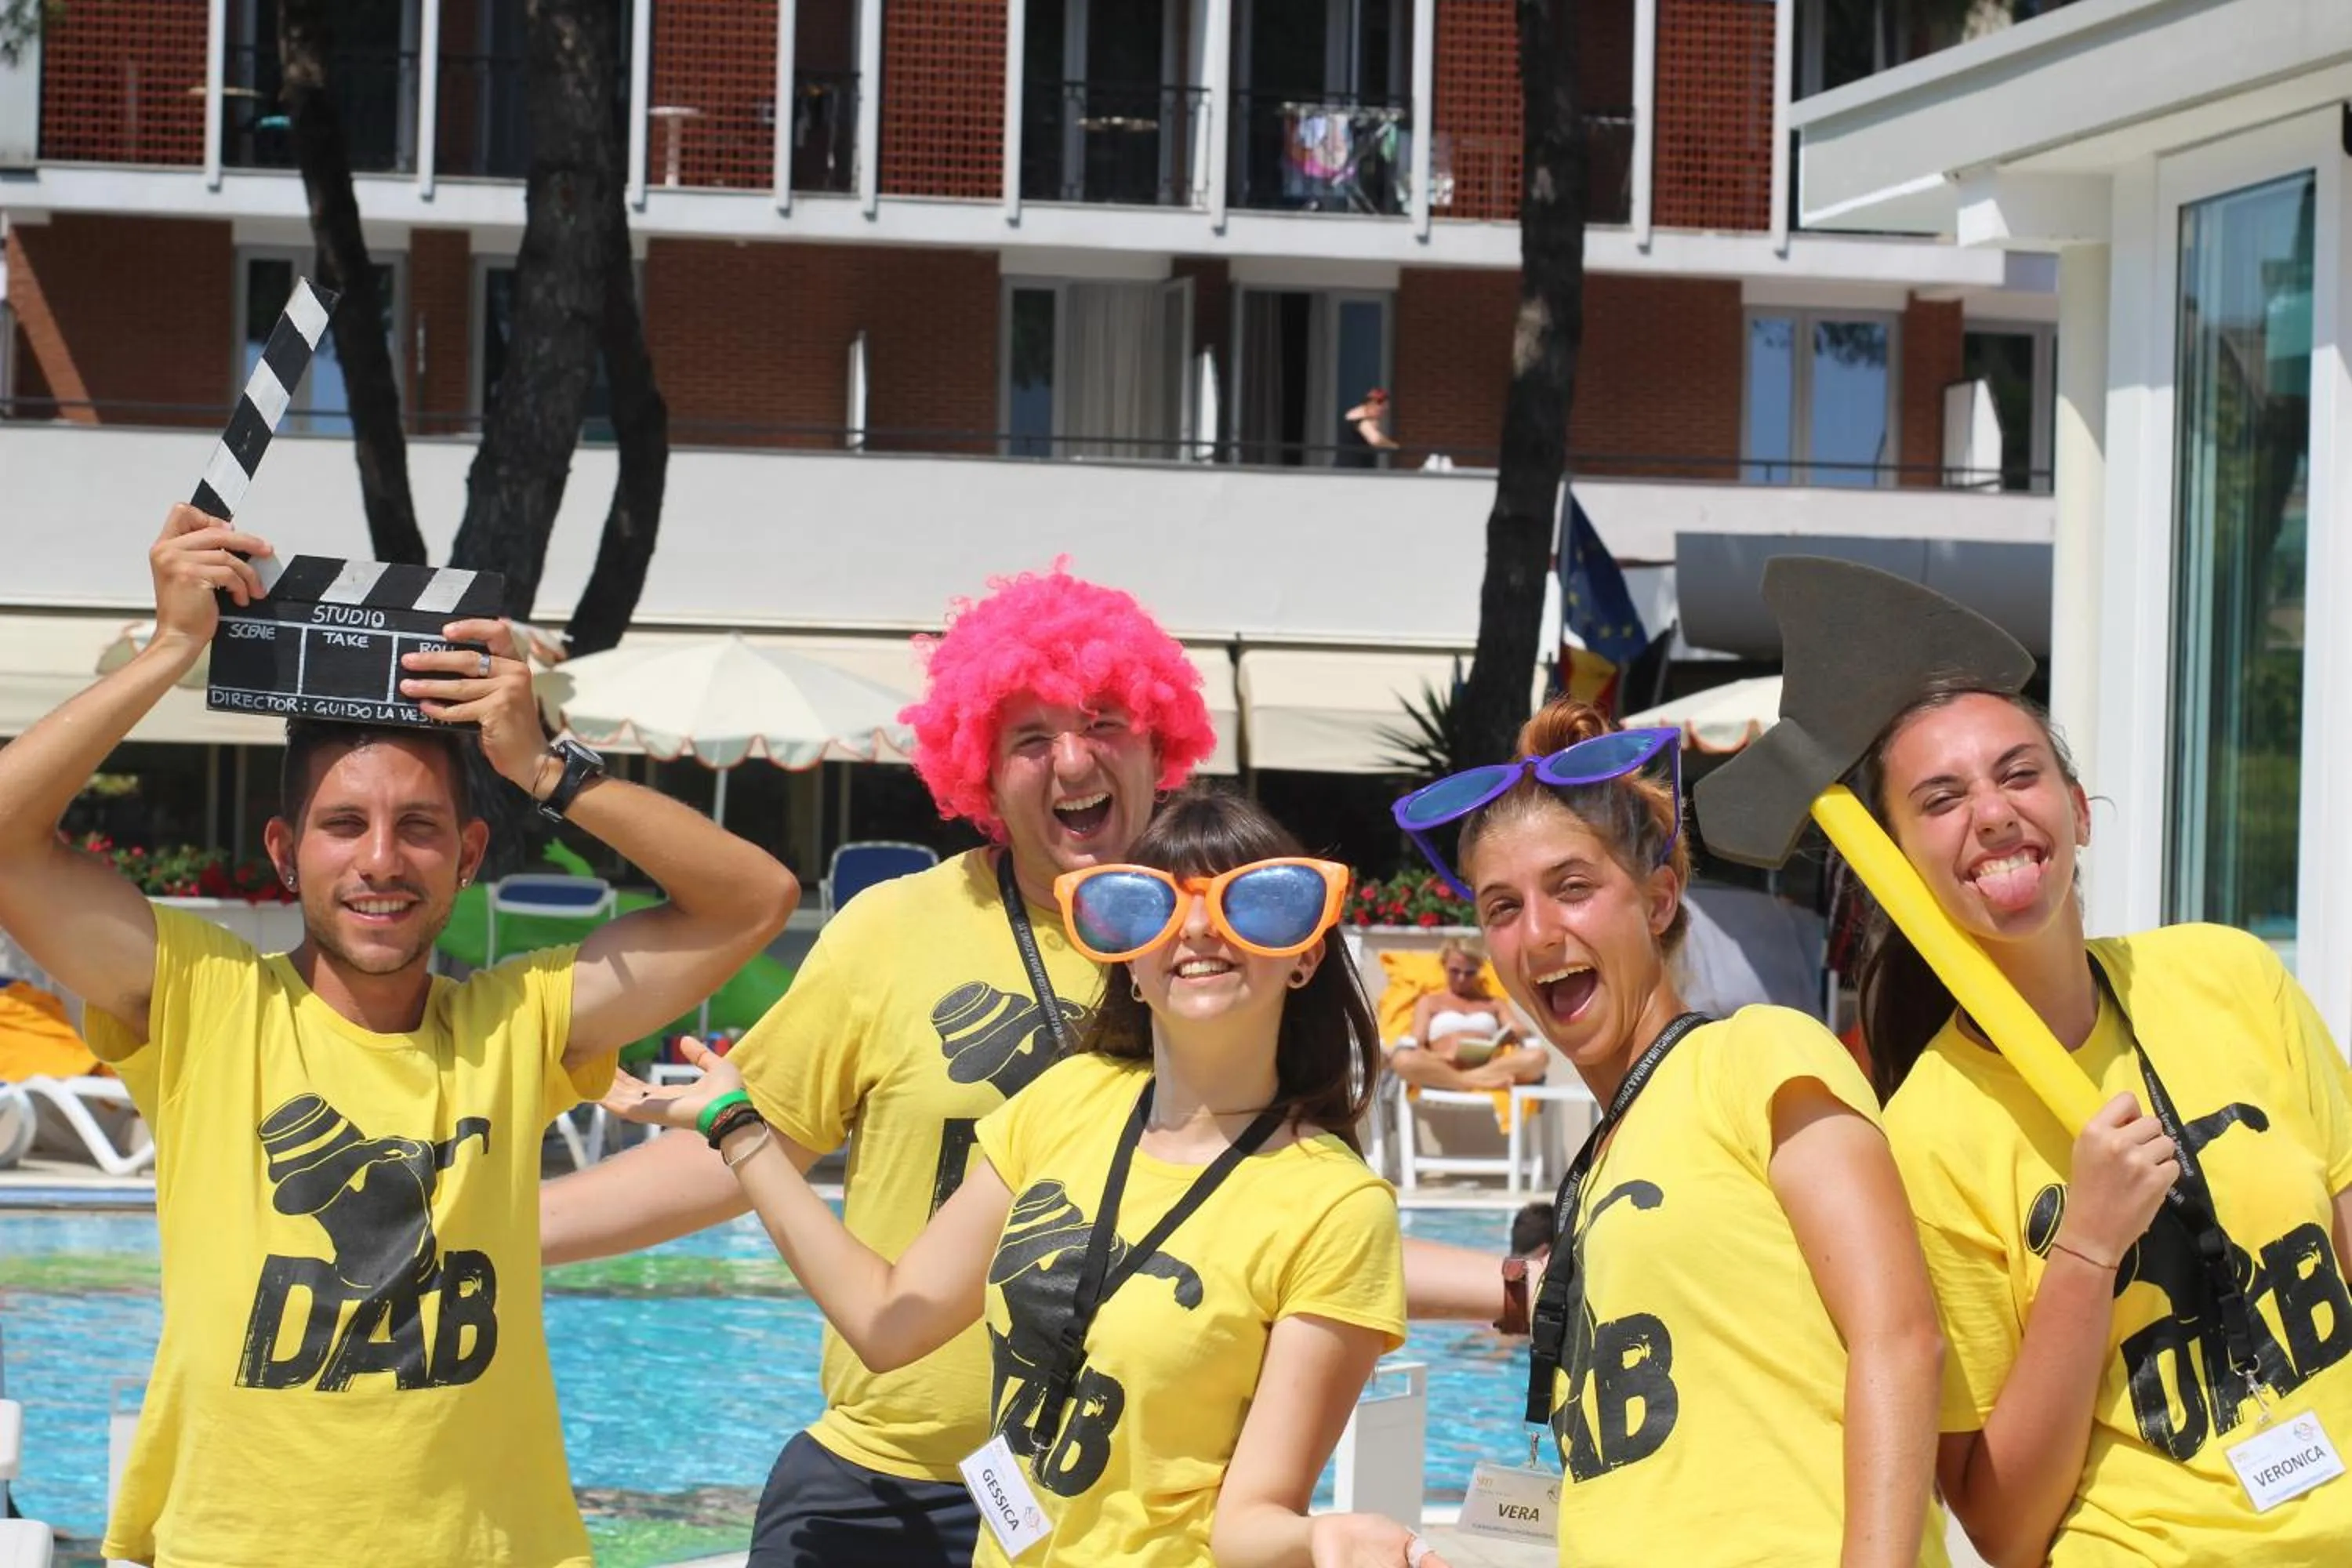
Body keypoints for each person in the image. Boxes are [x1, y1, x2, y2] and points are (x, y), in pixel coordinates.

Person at [539, 566, 1522, 1566]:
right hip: (888, 1476)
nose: (1071, 760)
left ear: (1157, 742)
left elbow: (1267, 1239)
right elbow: (746, 1147)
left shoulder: (1231, 954)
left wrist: (1516, 1284)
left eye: (1102, 721)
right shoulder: (892, 932)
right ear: (980, 770)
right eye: (1028, 736)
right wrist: (499, 1229)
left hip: (1117, 1511)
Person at [0, 504, 798, 1566]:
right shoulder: (203, 1002)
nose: (382, 859)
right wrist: (172, 650)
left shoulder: (514, 1026)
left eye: (419, 828)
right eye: (344, 826)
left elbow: (753, 899)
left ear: (469, 854)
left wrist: (550, 766)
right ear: (286, 852)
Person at [603, 789, 1439, 1567]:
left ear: (1304, 955)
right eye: (1153, 906)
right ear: (1127, 960)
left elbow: (1248, 1519)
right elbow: (889, 1322)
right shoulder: (1066, 1101)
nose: (1198, 931)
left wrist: (1326, 1536)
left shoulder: (1335, 1204)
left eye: (1251, 903)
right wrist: (740, 1129)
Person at [1393, 699, 1946, 1566]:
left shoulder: (1759, 1053)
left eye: (1573, 887)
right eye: (1503, 906)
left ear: (1657, 900)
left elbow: (1902, 1338)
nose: (1538, 931)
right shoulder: (1607, 1154)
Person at [1853, 684, 2352, 1564]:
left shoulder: (2230, 975)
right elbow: (2003, 1528)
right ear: (1895, 866)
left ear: (2078, 812)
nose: (1995, 811)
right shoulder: (1921, 1139)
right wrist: (2086, 1246)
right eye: (1943, 798)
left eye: (2019, 775)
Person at [1388, 936, 1548, 1091]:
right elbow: (1416, 1043)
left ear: (1479, 970)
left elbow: (1522, 1032)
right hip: (1443, 1064)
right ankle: (1476, 1081)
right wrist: (1440, 1057)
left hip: (1489, 1065)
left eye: (1470, 973)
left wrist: (1517, 1032)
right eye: (1455, 971)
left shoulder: (1494, 1004)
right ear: (1444, 966)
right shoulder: (1430, 1002)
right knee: (1403, 1059)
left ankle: (1463, 1081)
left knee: (1539, 1057)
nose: (1461, 978)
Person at [1338, 388, 1398, 469]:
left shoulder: (1358, 418)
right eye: (1381, 410)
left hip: (1356, 470)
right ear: (1370, 404)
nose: (1381, 414)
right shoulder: (1360, 420)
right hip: (1353, 471)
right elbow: (1377, 441)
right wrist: (1395, 447)